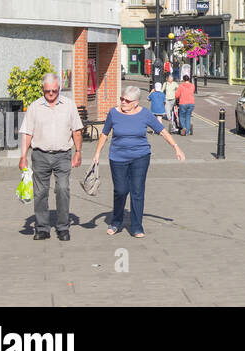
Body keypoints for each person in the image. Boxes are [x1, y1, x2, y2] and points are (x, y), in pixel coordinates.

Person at [91, 86, 185, 237]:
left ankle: (136, 226)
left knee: (137, 191)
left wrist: (176, 147)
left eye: (127, 100)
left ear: (135, 102)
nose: (123, 102)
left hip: (140, 157)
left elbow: (162, 130)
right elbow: (104, 134)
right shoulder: (114, 113)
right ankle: (116, 221)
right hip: (118, 157)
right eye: (122, 99)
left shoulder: (145, 114)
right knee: (120, 190)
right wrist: (97, 154)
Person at [18, 74, 84, 241]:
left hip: (63, 155)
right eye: (48, 91)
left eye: (55, 91)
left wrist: (78, 152)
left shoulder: (69, 105)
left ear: (59, 89)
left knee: (62, 189)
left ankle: (62, 227)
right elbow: (27, 132)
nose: (51, 94)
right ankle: (42, 228)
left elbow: (76, 130)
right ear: (43, 90)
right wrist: (23, 156)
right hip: (40, 155)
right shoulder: (34, 107)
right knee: (40, 193)